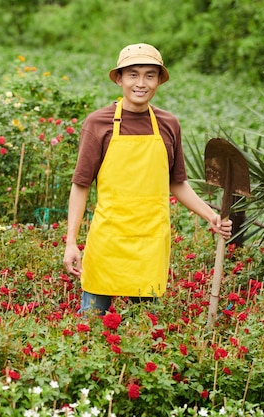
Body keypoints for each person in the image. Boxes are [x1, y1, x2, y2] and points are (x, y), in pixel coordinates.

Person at [63, 43, 233, 315]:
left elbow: (177, 183)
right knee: (91, 324)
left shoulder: (168, 124)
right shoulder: (98, 123)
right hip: (108, 240)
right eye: (133, 74)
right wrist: (71, 242)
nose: (141, 83)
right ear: (119, 78)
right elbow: (81, 185)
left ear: (159, 80)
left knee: (145, 329)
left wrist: (210, 216)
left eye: (149, 75)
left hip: (150, 242)